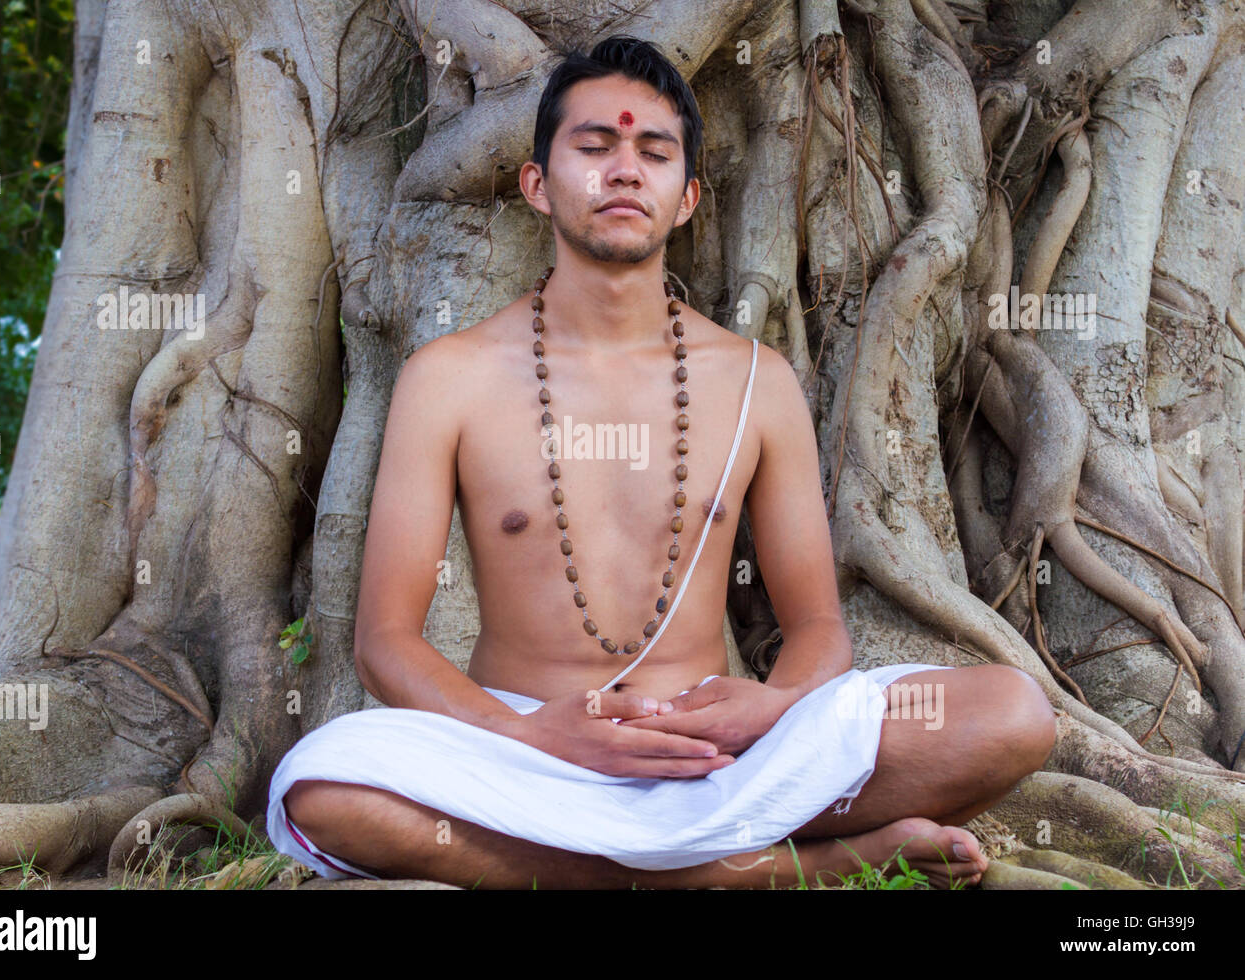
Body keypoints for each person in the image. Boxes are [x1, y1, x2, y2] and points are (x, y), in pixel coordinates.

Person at [267, 35, 1056, 889]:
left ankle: (653, 864)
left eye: (654, 151)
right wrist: (532, 734)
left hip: (715, 757)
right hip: (523, 758)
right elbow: (385, 639)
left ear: (687, 199)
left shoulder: (758, 381)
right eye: (594, 146)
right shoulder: (447, 378)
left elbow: (819, 626)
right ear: (537, 184)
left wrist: (774, 707)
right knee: (321, 784)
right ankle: (763, 873)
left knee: (1010, 713)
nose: (624, 171)